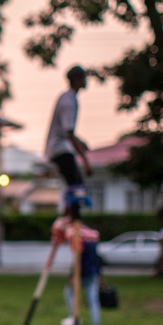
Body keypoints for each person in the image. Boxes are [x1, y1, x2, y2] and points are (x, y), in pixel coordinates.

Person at [45, 65, 93, 219]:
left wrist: (81, 142)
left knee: (72, 183)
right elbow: (69, 133)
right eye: (84, 78)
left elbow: (69, 132)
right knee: (76, 184)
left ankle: (67, 214)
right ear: (77, 80)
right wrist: (85, 160)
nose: (86, 81)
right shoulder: (68, 102)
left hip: (59, 147)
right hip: (60, 148)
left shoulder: (67, 97)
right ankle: (73, 219)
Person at [61, 237, 102, 325]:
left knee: (69, 293)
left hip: (81, 274)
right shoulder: (93, 243)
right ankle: (96, 323)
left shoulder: (80, 244)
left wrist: (72, 276)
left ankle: (74, 317)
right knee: (93, 299)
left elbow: (77, 261)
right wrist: (99, 274)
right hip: (92, 274)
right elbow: (97, 260)